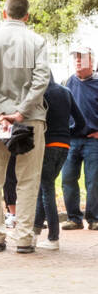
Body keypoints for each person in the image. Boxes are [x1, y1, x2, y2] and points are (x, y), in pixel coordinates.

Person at [0, 0, 49, 253]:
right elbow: (41, 81)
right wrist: (20, 112)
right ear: (26, 16)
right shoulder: (37, 42)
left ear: (4, 14)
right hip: (30, 119)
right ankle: (25, 237)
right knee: (28, 179)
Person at [34, 73, 86, 250]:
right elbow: (81, 122)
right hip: (64, 145)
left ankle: (53, 237)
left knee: (46, 188)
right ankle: (34, 234)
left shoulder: (40, 93)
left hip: (47, 145)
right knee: (44, 186)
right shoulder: (66, 92)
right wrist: (67, 133)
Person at [62, 46, 98, 230]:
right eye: (75, 58)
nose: (77, 61)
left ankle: (94, 218)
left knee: (93, 181)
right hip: (71, 140)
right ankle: (74, 218)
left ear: (91, 61)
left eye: (81, 58)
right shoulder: (68, 82)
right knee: (68, 179)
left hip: (93, 140)